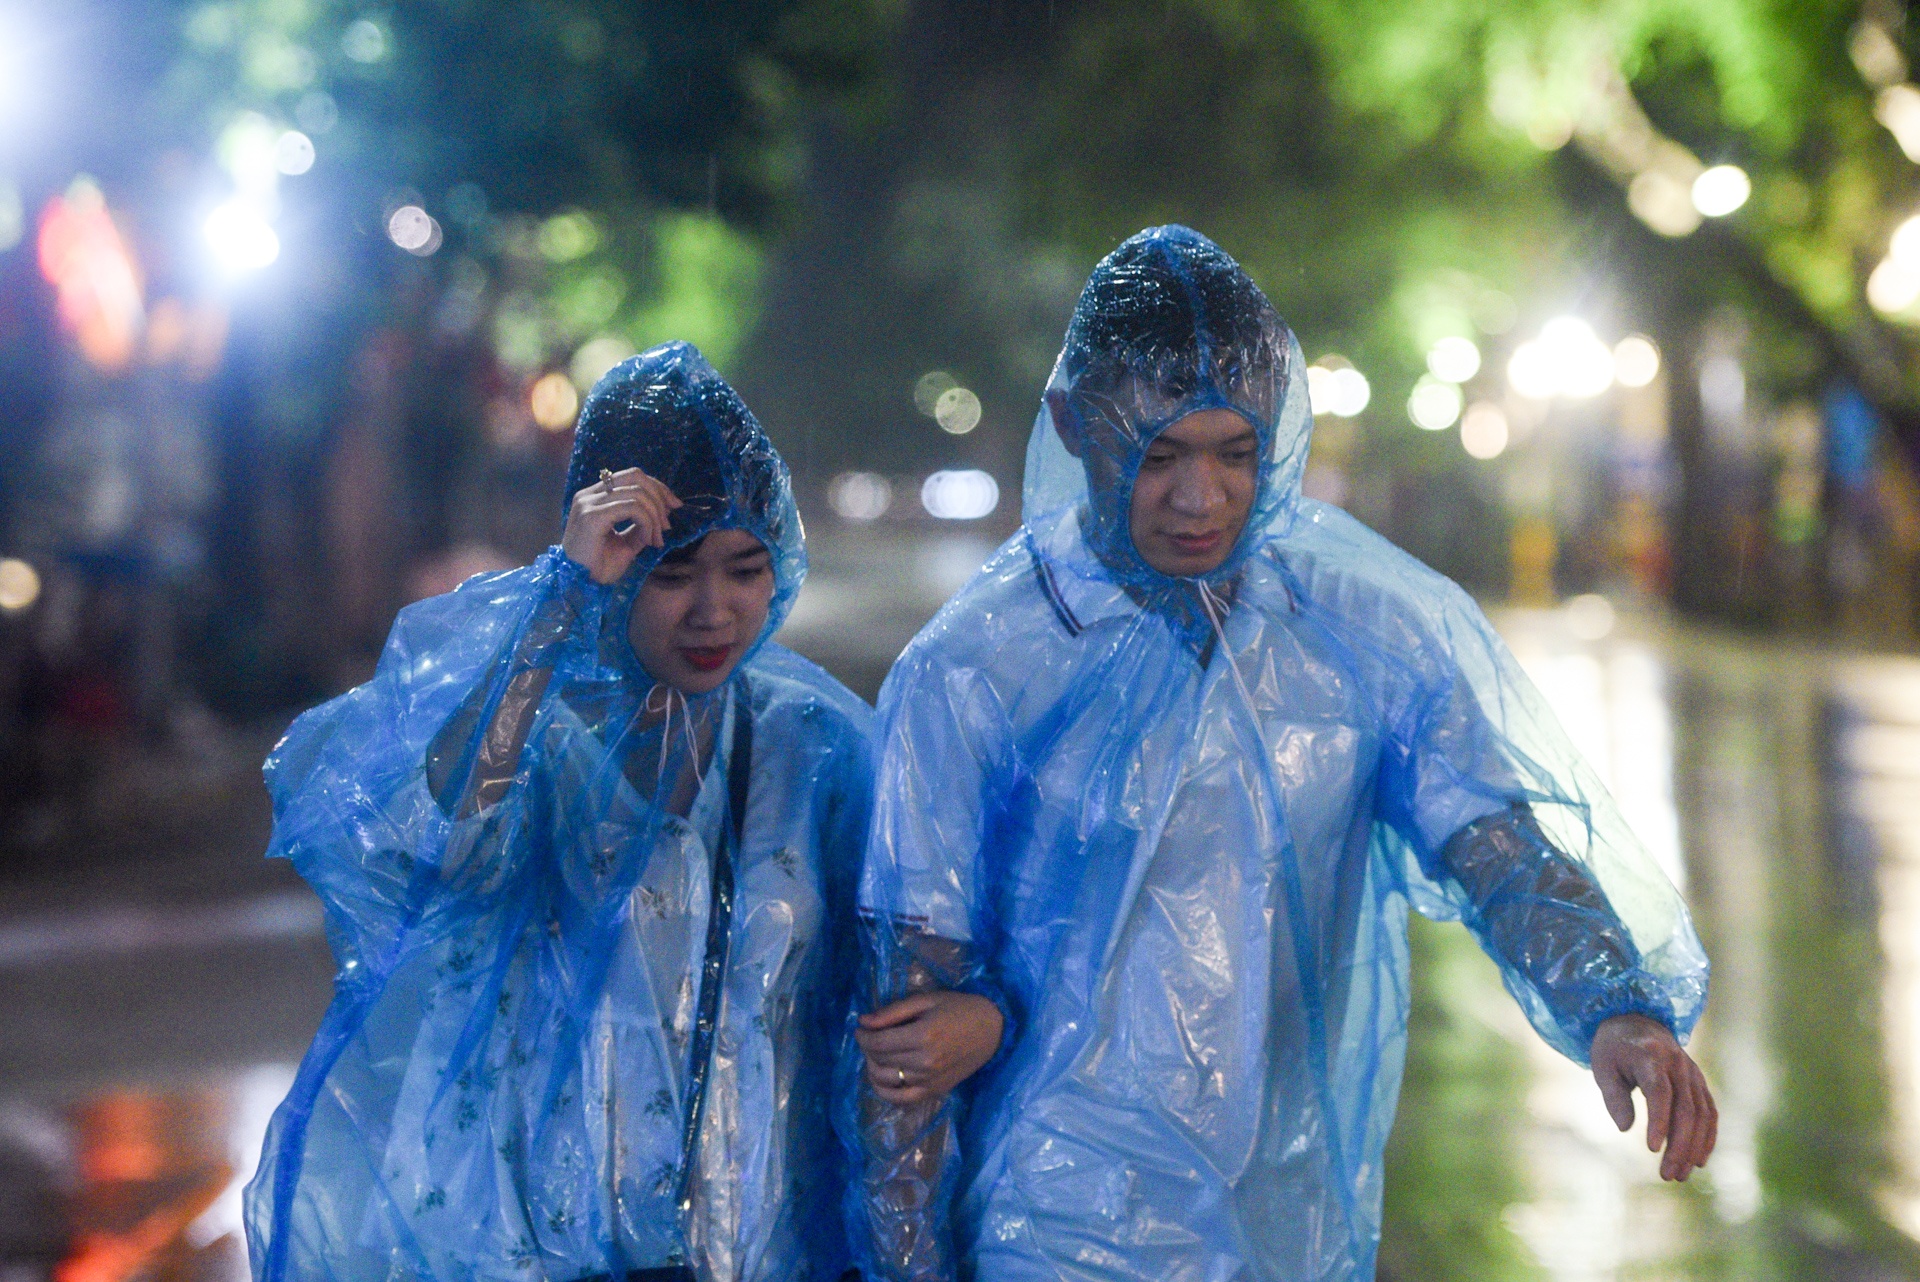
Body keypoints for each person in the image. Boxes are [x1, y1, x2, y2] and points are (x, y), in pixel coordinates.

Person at [848, 226, 1716, 1282]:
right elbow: (907, 1010)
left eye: (1234, 451)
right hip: (1058, 1218)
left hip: (1284, 1218)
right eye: (1158, 453)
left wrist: (1613, 1003)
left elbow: (1490, 836)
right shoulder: (977, 666)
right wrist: (906, 1261)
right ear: (1078, 426)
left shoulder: (1352, 625)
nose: (1200, 497)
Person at [245, 343, 876, 1282]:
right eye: (670, 573)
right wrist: (557, 608)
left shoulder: (813, 745)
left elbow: (878, 990)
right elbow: (432, 843)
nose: (715, 610)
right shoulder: (533, 722)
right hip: (527, 1247)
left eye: (745, 569)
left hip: (756, 1251)